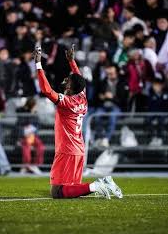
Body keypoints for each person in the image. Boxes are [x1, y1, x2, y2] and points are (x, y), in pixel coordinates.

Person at [33, 44, 123, 199]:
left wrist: (38, 64)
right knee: (71, 189)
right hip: (78, 150)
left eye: (67, 79)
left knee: (57, 192)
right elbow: (79, 79)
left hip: (67, 150)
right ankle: (104, 183)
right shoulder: (82, 97)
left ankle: (97, 185)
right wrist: (72, 62)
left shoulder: (66, 102)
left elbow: (46, 90)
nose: (65, 79)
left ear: (70, 86)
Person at [16, 97, 45, 175]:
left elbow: (37, 126)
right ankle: (26, 166)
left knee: (41, 147)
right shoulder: (22, 112)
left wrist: (33, 113)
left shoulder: (35, 114)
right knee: (26, 148)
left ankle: (35, 165)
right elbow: (19, 125)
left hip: (33, 136)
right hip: (24, 136)